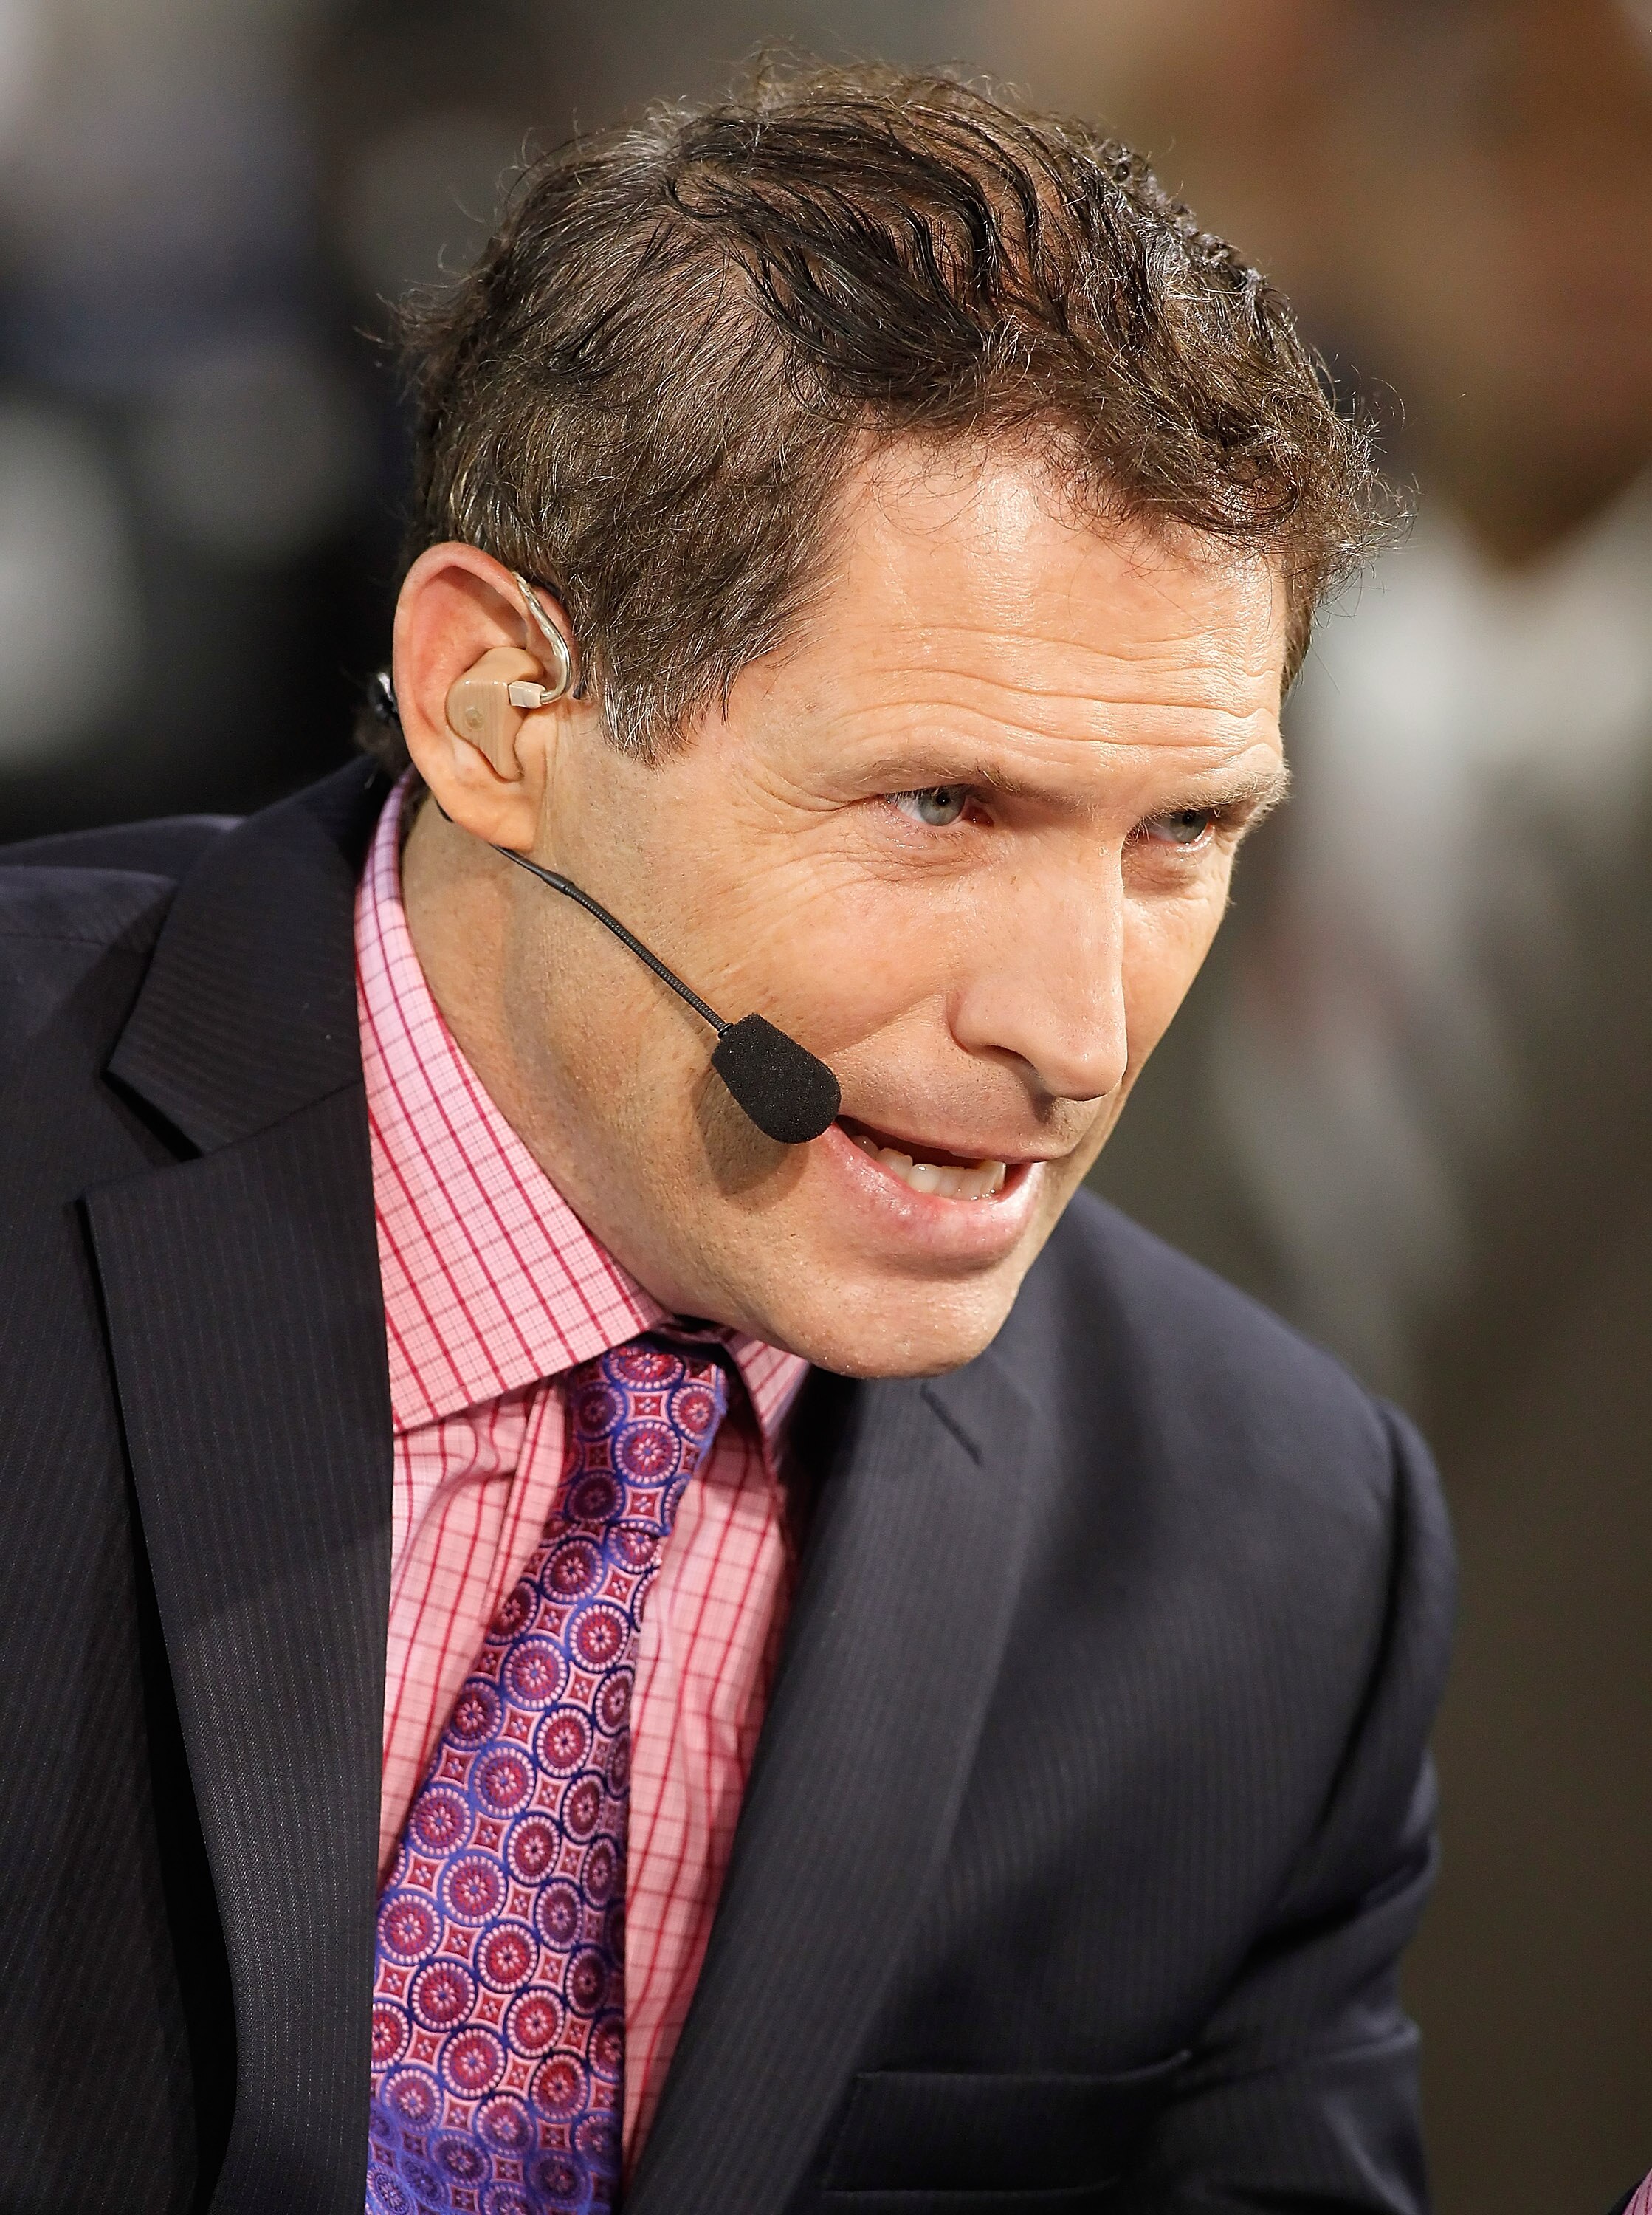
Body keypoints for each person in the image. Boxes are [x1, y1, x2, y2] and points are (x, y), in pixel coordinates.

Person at [0, 66, 1453, 2215]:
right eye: (942, 809)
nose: (1071, 1033)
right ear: (499, 708)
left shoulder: (1272, 1556)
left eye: (1185, 835)